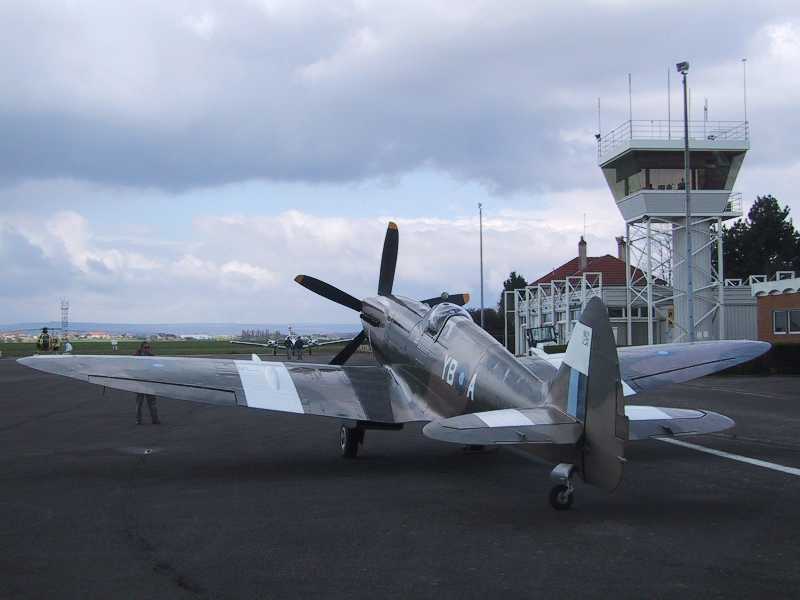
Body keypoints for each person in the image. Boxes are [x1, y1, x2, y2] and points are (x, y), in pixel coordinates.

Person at [134, 342, 160, 425]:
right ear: (141, 348)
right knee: (139, 404)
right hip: (140, 383)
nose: (147, 349)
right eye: (145, 347)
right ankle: (138, 420)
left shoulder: (152, 357)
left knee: (152, 403)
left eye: (148, 347)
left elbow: (156, 368)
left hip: (149, 383)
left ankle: (155, 419)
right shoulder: (136, 358)